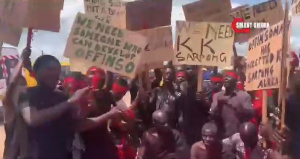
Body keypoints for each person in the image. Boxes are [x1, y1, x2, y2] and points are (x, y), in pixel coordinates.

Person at [21, 55, 122, 159]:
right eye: (49, 68)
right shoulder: (26, 94)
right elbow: (33, 119)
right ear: (36, 71)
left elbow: (76, 125)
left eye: (57, 70)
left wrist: (84, 111)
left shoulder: (61, 97)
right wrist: (71, 102)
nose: (55, 73)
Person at [210, 70, 254, 138]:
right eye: (224, 77)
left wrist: (240, 109)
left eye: (229, 77)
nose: (226, 79)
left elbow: (250, 115)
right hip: (221, 135)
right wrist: (219, 105)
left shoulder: (244, 96)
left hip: (238, 135)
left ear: (235, 81)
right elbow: (212, 115)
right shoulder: (217, 96)